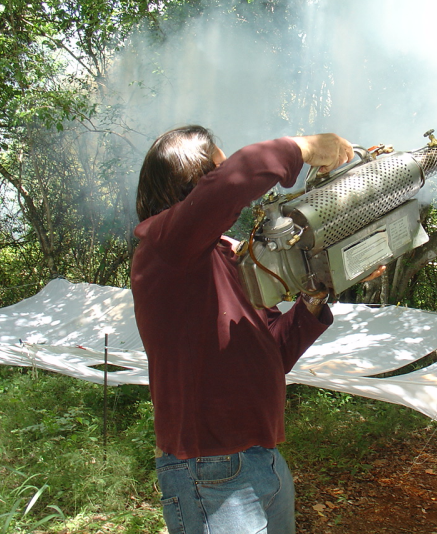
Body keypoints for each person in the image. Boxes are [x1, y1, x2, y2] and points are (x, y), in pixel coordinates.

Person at [131, 125, 356, 534]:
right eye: (218, 169)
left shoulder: (223, 258)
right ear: (194, 181)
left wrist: (315, 295)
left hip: (260, 457)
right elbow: (229, 185)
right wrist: (301, 148)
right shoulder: (165, 244)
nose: (230, 177)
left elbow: (272, 352)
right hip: (210, 466)